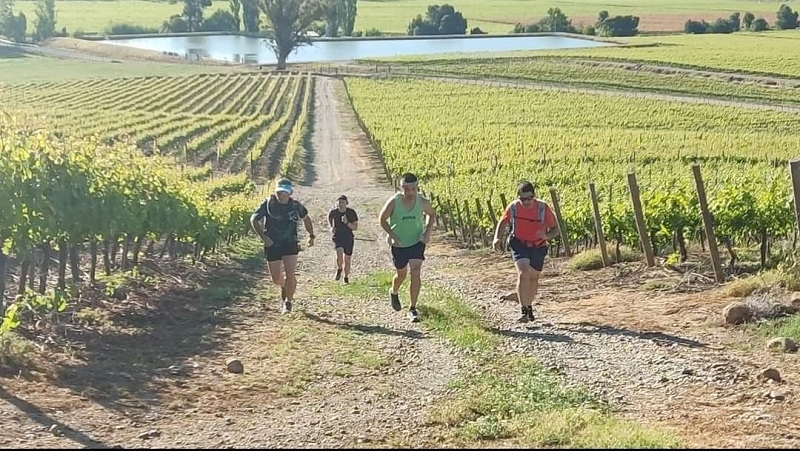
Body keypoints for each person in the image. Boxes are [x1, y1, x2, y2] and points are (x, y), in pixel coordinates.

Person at [492, 180, 560, 323]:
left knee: (534, 279)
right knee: (524, 274)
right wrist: (497, 238)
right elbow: (503, 222)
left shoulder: (543, 208)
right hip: (519, 244)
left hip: (538, 246)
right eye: (523, 199)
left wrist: (546, 236)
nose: (526, 202)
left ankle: (525, 301)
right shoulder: (514, 207)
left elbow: (556, 229)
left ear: (534, 196)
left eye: (529, 198)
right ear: (518, 198)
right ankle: (525, 310)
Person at [249, 178, 315, 314]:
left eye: (285, 193)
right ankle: (285, 286)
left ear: (290, 193)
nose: (282, 195)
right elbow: (254, 219)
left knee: (290, 274)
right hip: (272, 244)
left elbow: (306, 218)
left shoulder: (296, 205)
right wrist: (264, 237)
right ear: (276, 192)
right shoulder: (268, 204)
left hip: (290, 242)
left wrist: (311, 235)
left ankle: (288, 302)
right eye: (280, 193)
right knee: (276, 278)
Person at [378, 172, 437, 323]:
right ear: (400, 188)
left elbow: (432, 214)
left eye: (413, 189)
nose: (410, 192)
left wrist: (427, 232)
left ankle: (412, 308)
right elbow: (382, 219)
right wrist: (392, 235)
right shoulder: (394, 201)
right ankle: (394, 291)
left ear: (417, 188)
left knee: (416, 272)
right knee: (401, 274)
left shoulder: (422, 201)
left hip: (417, 242)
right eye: (406, 189)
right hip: (399, 244)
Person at [328, 195, 359, 283]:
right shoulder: (334, 212)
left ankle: (346, 277)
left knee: (347, 259)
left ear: (346, 203)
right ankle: (339, 268)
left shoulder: (351, 213)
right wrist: (331, 226)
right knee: (339, 254)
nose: (341, 205)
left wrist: (347, 223)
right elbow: (329, 217)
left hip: (348, 237)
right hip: (337, 236)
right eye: (339, 203)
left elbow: (355, 227)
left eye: (343, 203)